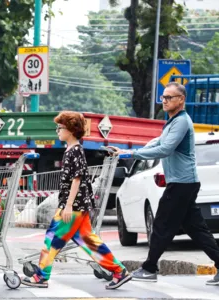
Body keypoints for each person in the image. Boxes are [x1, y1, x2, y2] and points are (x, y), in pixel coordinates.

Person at [109, 82, 219, 285]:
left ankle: (150, 268)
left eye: (169, 97)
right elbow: (157, 142)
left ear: (181, 100)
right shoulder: (171, 122)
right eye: (163, 97)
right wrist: (127, 150)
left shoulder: (182, 122)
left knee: (161, 224)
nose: (165, 101)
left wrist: (132, 154)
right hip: (183, 183)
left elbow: (166, 149)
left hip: (181, 183)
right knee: (196, 229)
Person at [21, 111, 132, 290]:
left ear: (71, 130)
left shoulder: (75, 151)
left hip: (73, 206)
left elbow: (77, 178)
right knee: (90, 241)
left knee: (52, 239)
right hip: (78, 205)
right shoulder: (72, 150)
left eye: (60, 127)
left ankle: (41, 276)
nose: (57, 130)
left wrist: (68, 205)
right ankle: (120, 272)